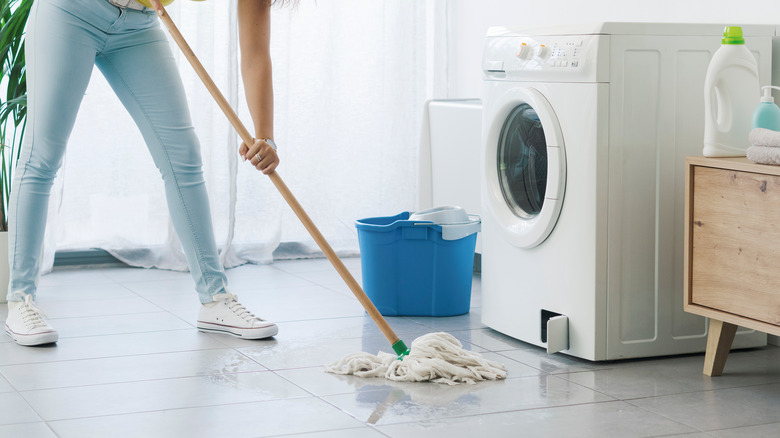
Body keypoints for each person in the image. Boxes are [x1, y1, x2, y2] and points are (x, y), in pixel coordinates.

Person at [4, 0, 282, 346]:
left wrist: (265, 136)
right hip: (72, 10)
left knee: (182, 156)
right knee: (42, 155)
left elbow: (256, 53)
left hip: (139, 25)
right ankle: (21, 300)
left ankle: (215, 300)